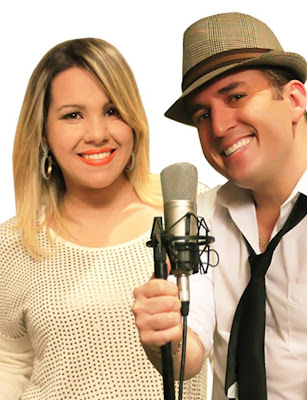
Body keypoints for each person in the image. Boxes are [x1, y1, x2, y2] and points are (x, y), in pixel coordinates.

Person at [132, 12, 307, 400]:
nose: (218, 127)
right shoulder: (202, 214)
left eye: (236, 96)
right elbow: (188, 354)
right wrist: (164, 334)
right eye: (203, 114)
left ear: (293, 100)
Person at [0, 38, 207, 399]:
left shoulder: (187, 211)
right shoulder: (14, 244)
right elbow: (11, 364)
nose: (97, 134)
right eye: (72, 115)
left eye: (112, 110)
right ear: (43, 132)